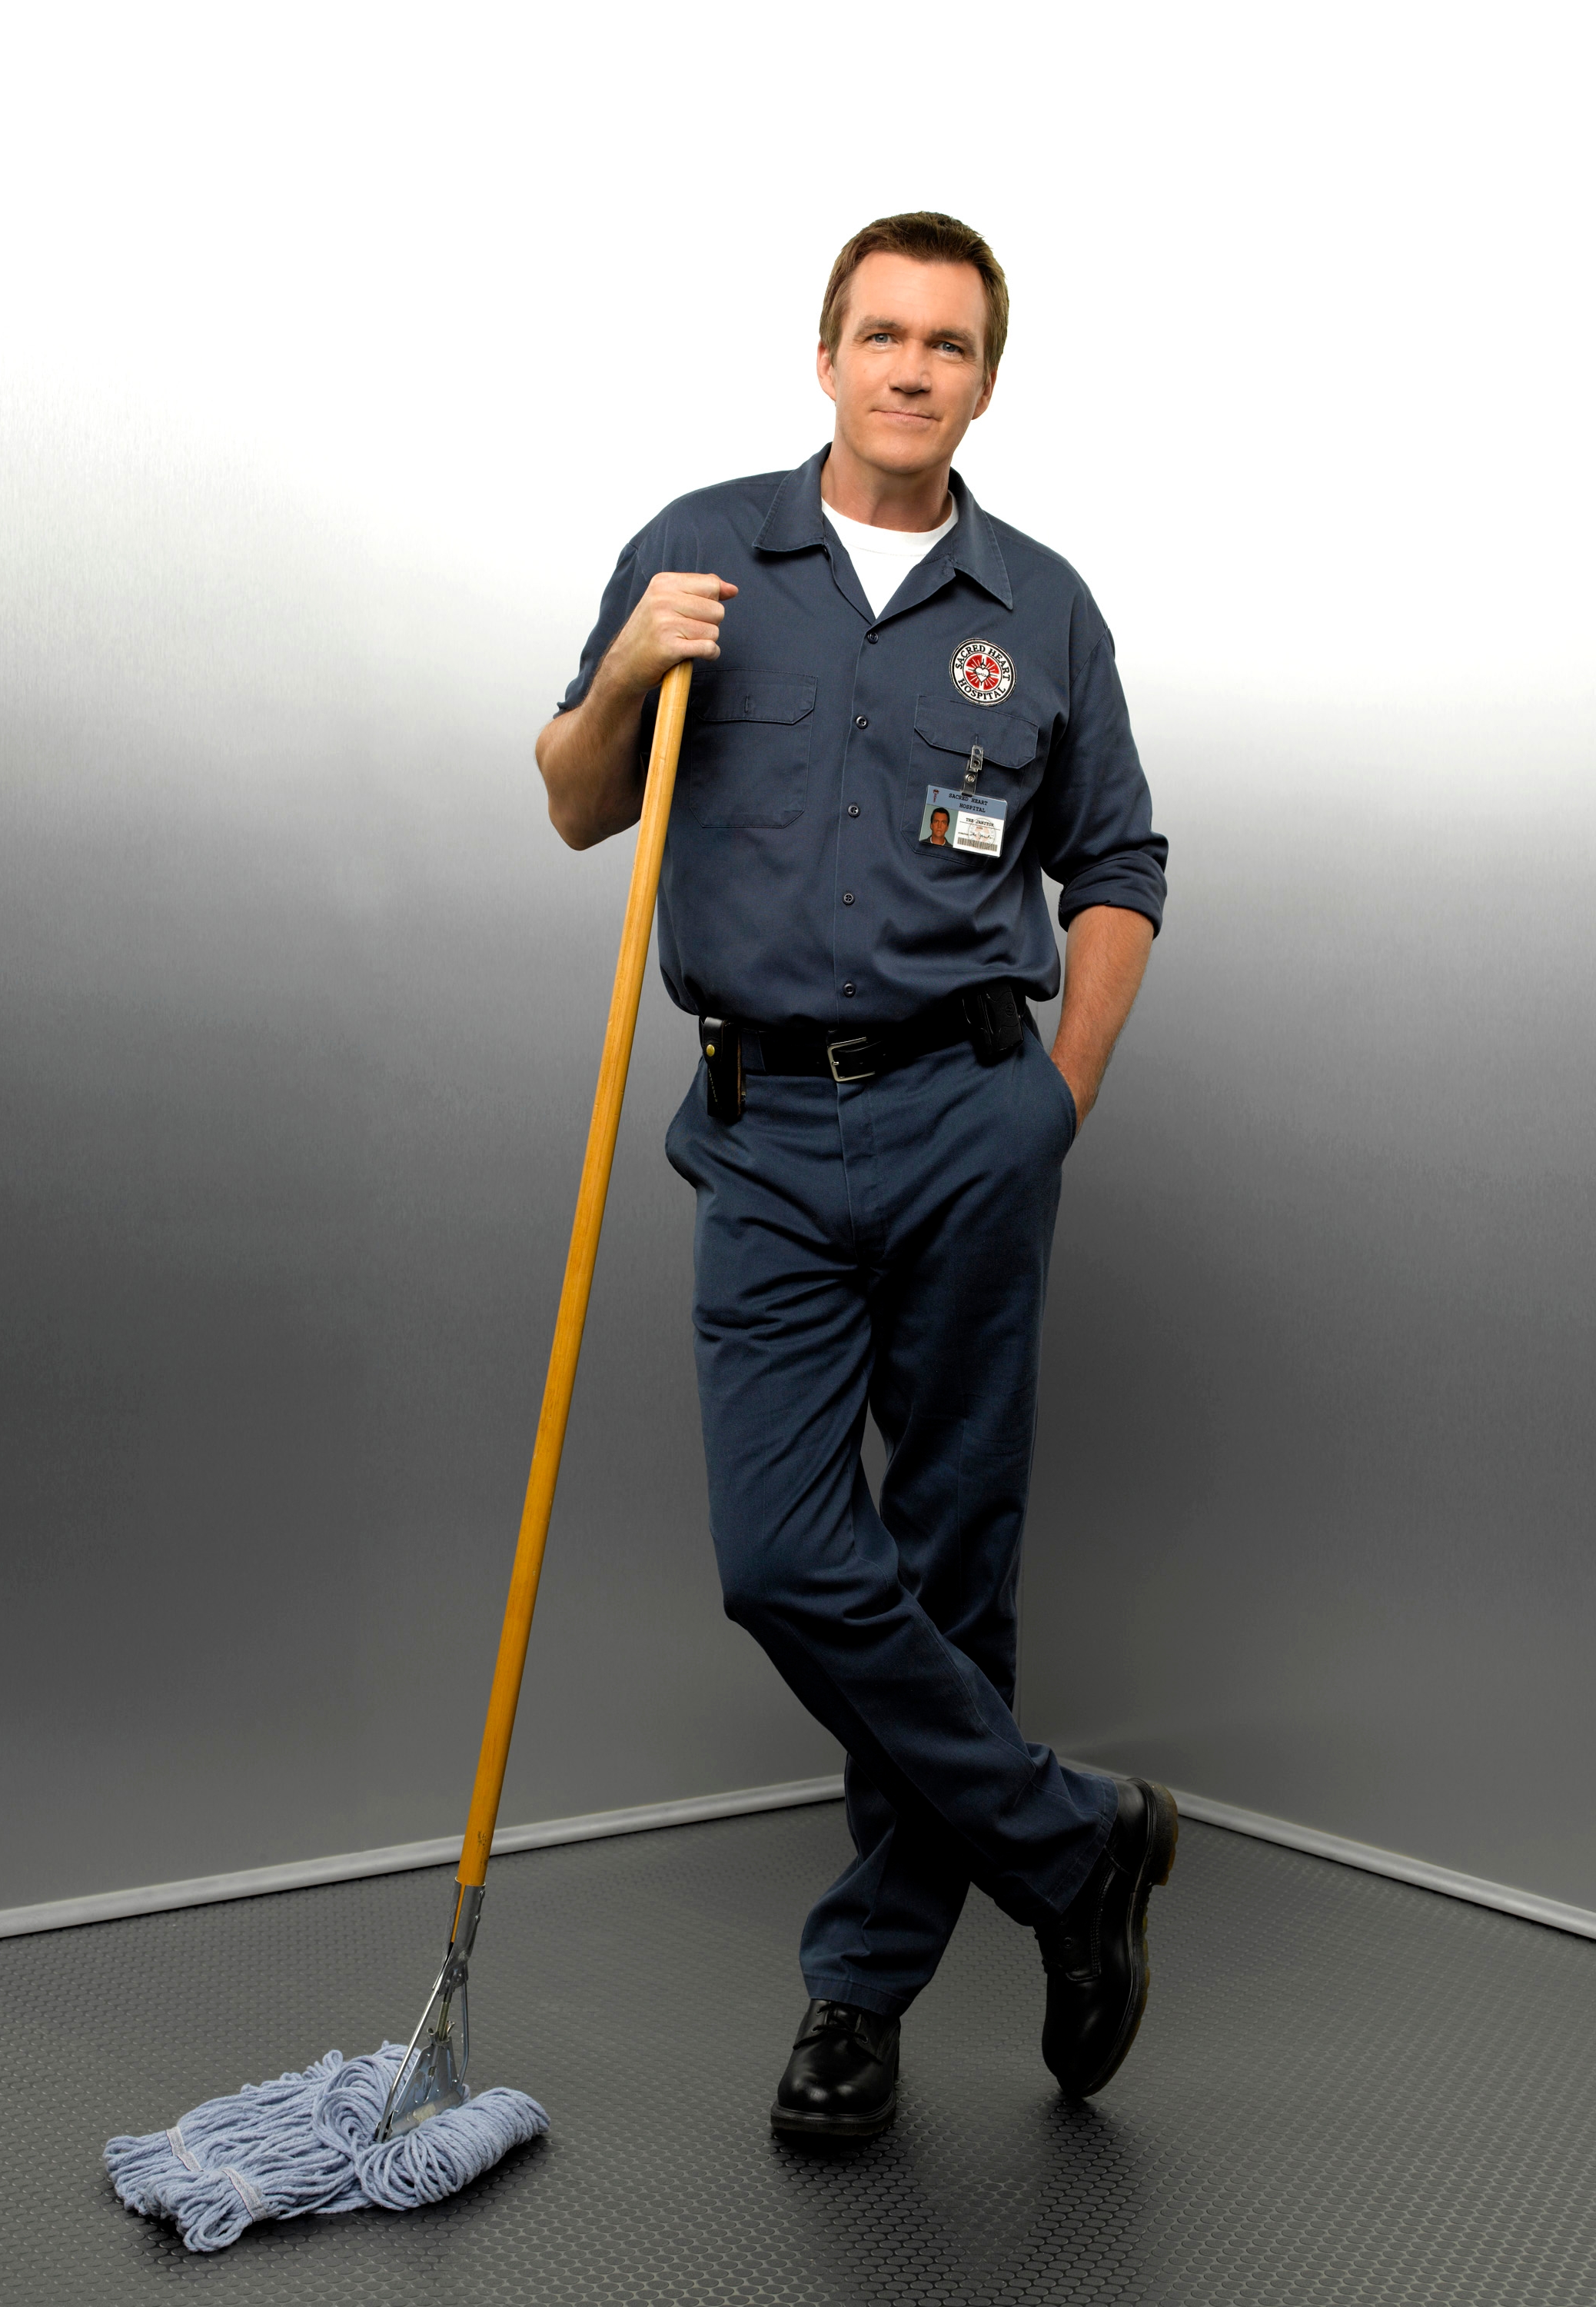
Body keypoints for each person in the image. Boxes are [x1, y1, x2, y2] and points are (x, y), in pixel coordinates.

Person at [537, 211, 1173, 2139]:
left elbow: (1116, 867)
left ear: (984, 381)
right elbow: (575, 803)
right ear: (823, 356)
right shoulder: (700, 551)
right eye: (880, 335)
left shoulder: (1040, 605)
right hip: (762, 1134)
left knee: (950, 1566)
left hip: (971, 1119)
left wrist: (1053, 1102)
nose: (910, 369)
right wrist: (625, 673)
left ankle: (860, 1995)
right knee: (786, 1562)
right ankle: (1070, 1847)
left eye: (947, 344)